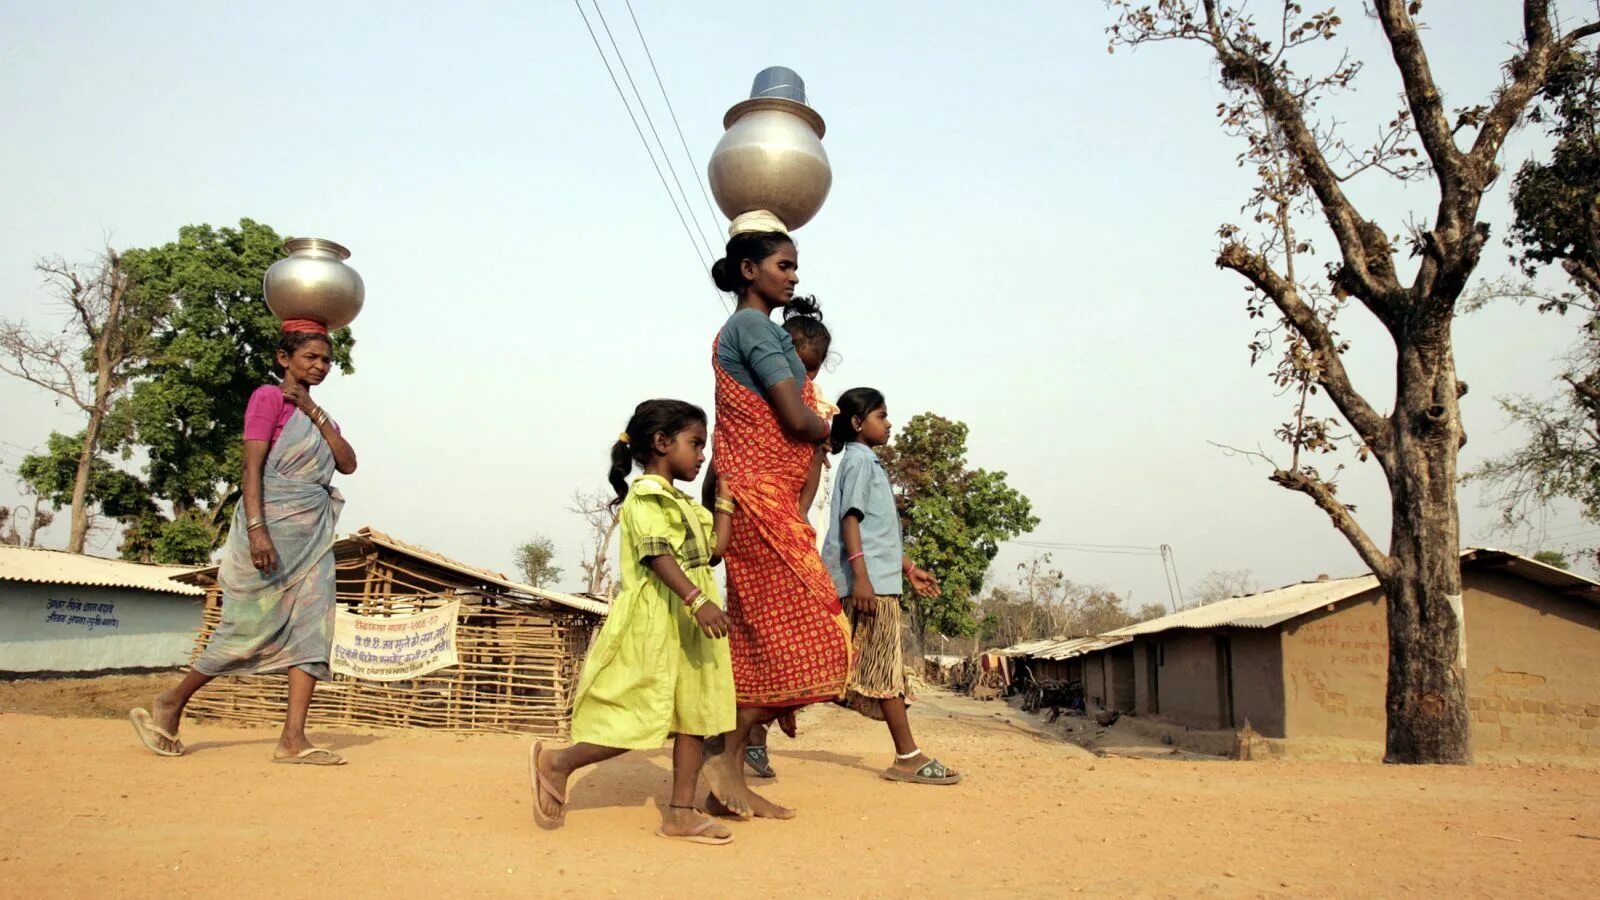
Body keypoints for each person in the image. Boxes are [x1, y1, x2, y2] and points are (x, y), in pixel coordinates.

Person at [129, 319, 358, 765]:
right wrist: (257, 529)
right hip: (272, 528)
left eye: (327, 360)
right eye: (310, 357)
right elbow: (251, 468)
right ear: (283, 358)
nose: (320, 366)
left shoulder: (321, 417)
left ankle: (293, 739)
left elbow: (347, 463)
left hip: (313, 538)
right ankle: (171, 702)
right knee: (246, 627)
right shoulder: (266, 398)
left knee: (316, 630)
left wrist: (313, 411)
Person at [530, 400, 738, 845]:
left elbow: (715, 549)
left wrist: (724, 497)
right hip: (660, 618)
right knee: (639, 713)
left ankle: (681, 813)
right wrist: (697, 599)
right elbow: (656, 553)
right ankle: (558, 763)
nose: (702, 455)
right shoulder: (646, 495)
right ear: (661, 443)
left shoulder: (682, 502)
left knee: (694, 716)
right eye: (695, 444)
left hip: (690, 623)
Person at [700, 228, 847, 820]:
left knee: (764, 637)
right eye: (783, 266)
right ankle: (721, 757)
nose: (793, 276)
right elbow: (793, 414)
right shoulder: (752, 329)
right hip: (758, 500)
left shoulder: (763, 332)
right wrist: (826, 425)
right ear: (747, 269)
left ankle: (727, 765)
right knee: (817, 627)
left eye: (795, 267)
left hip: (770, 501)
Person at [822, 387, 962, 785]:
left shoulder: (864, 463)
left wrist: (909, 567)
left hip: (878, 580)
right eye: (881, 416)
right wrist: (863, 579)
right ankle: (908, 756)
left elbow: (875, 534)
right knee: (883, 671)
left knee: (841, 668)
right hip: (870, 586)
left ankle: (751, 734)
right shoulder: (861, 464)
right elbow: (851, 523)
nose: (888, 424)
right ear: (856, 423)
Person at [743, 295, 835, 780]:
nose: (807, 378)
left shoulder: (814, 401)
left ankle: (749, 733)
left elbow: (815, 465)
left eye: (814, 371)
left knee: (802, 631)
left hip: (786, 522)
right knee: (760, 635)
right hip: (757, 514)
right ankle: (746, 738)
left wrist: (796, 519)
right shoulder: (765, 394)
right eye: (803, 367)